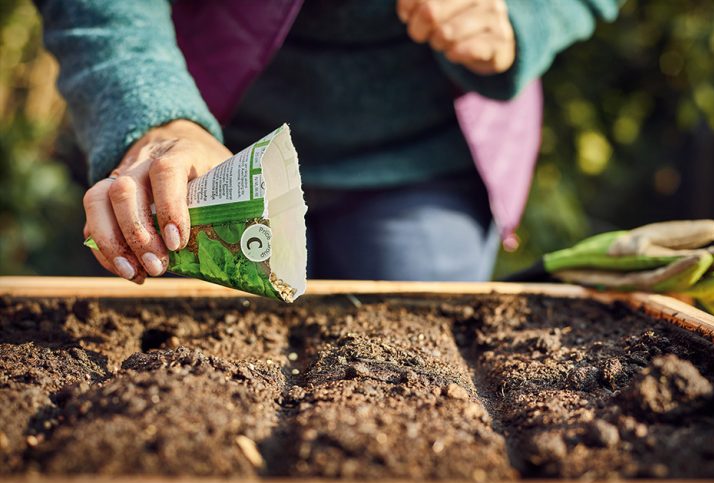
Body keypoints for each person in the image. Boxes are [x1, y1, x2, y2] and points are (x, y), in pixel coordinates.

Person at [36, 0, 620, 284]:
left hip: (420, 163)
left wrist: (525, 15)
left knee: (416, 374)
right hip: (211, 162)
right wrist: (157, 119)